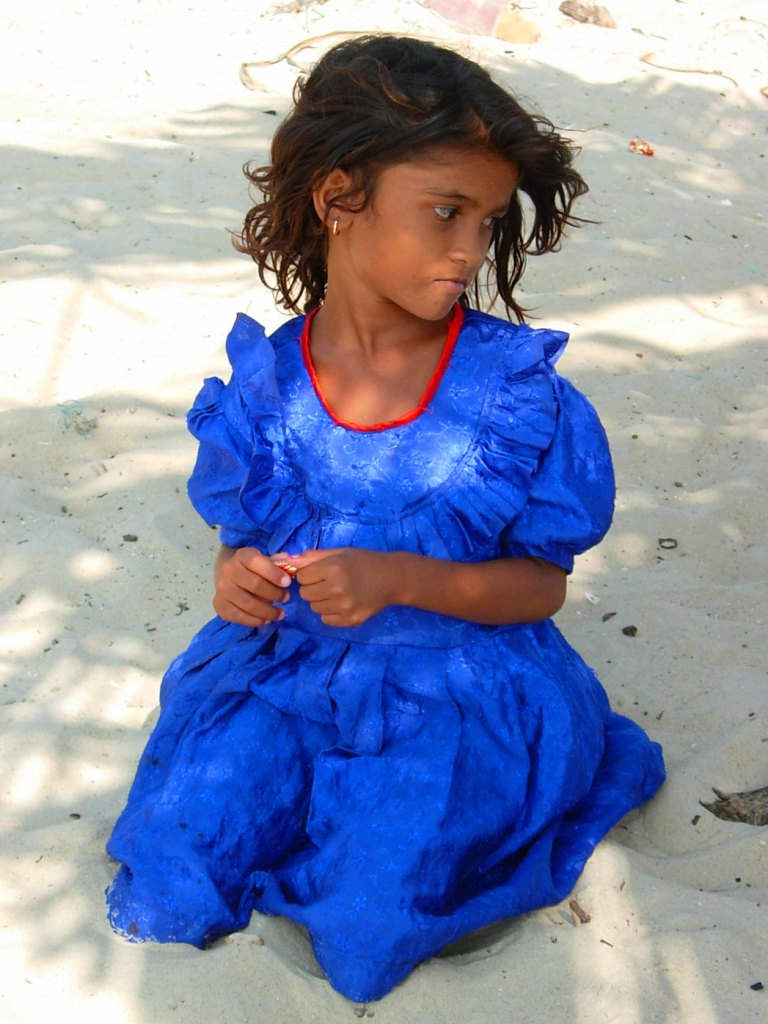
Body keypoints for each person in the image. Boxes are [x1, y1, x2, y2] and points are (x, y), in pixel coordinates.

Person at [105, 35, 665, 1002]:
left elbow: (542, 587)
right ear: (338, 198)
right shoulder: (266, 389)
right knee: (174, 866)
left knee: (373, 915)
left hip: (455, 692)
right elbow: (246, 532)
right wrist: (236, 575)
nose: (470, 250)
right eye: (445, 211)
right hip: (284, 678)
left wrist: (402, 580)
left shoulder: (514, 398)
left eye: (488, 221)